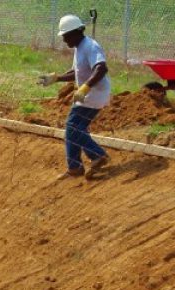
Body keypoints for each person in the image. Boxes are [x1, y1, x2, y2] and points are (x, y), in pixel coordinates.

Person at [39, 14, 111, 180]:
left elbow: (101, 68)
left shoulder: (91, 46)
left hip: (95, 94)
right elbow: (76, 72)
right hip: (87, 94)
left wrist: (85, 87)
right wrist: (56, 78)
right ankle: (75, 167)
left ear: (75, 32)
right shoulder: (80, 48)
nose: (64, 40)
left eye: (65, 36)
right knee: (75, 128)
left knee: (72, 127)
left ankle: (97, 155)